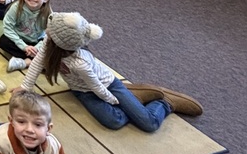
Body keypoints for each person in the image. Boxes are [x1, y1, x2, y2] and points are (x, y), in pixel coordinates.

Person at [16, 12, 203, 131]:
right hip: (82, 91)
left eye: (50, 34)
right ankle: (134, 97)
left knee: (149, 124)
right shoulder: (51, 43)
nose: (46, 35)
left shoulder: (80, 63)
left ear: (61, 44)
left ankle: (165, 102)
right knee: (115, 122)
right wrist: (25, 87)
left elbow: (98, 88)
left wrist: (115, 100)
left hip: (107, 87)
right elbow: (37, 61)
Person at [0, 0, 51, 72]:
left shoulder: (49, 13)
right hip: (20, 40)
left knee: (53, 46)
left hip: (37, 42)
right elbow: (7, 27)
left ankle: (25, 62)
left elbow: (49, 34)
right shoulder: (16, 7)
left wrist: (37, 47)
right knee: (3, 41)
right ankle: (37, 62)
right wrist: (24, 46)